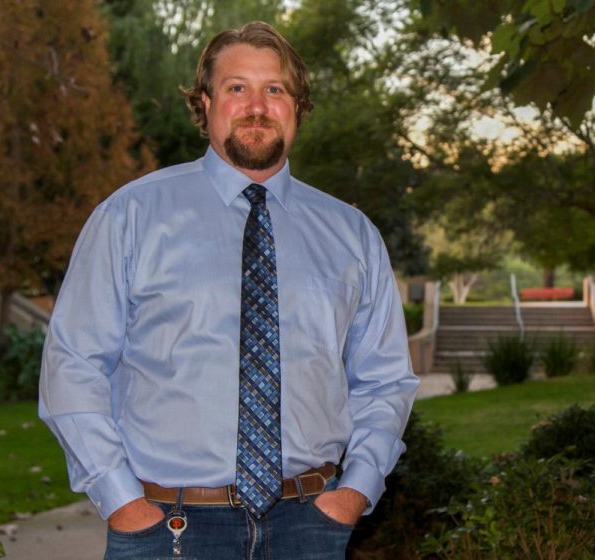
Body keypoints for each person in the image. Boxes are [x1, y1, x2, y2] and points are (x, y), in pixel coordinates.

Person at [39, 20, 418, 560]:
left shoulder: (350, 235)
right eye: (237, 87)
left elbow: (384, 380)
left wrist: (354, 492)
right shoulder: (130, 217)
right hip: (165, 527)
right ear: (205, 102)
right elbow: (72, 364)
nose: (256, 106)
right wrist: (122, 501)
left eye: (275, 90)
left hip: (310, 527)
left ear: (298, 106)